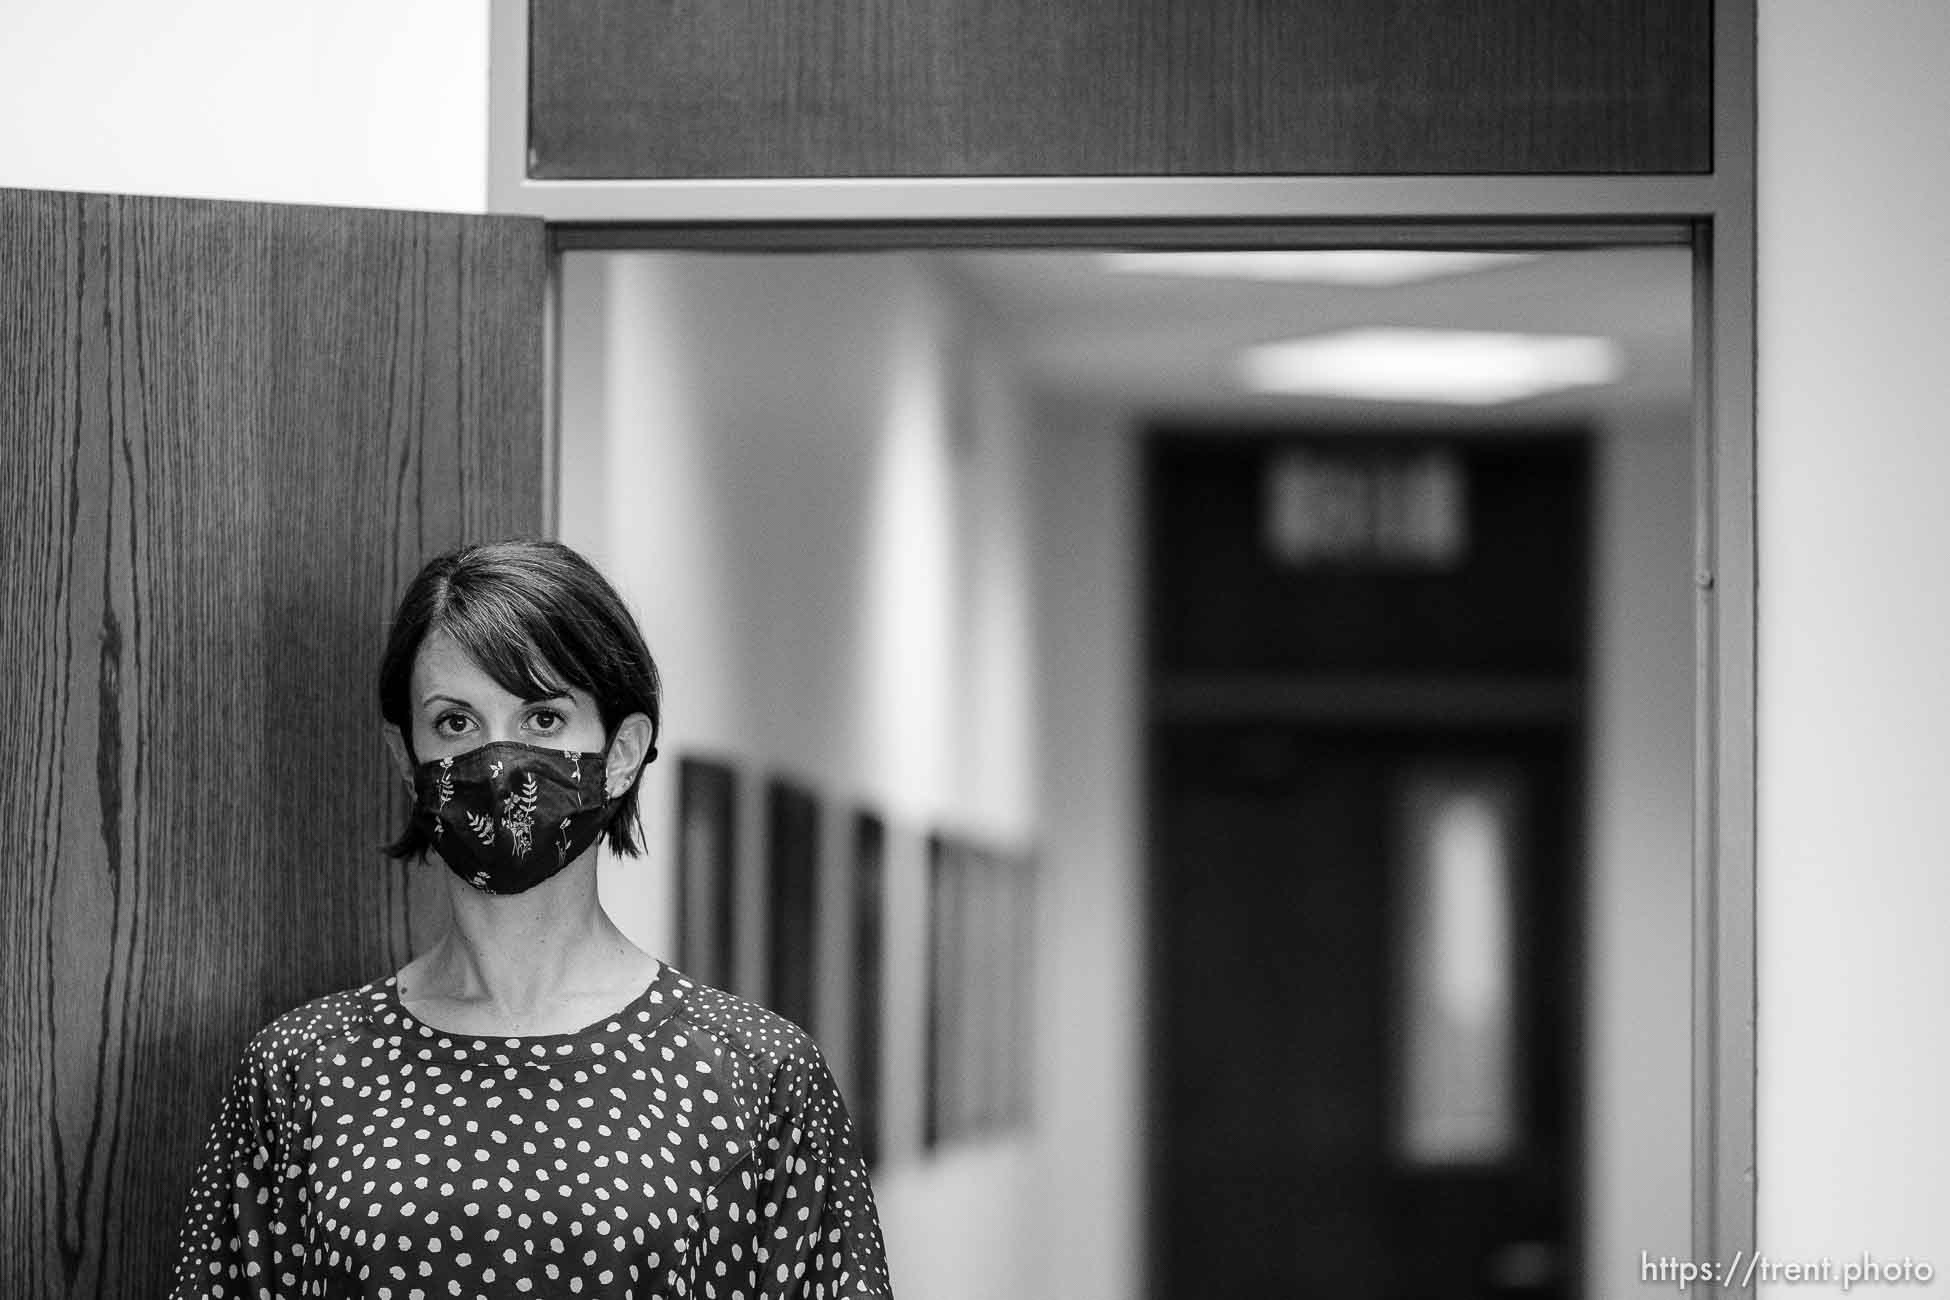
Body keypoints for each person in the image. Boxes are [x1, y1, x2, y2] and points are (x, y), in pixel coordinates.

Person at [170, 539, 892, 1300]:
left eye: (543, 717)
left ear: (621, 753)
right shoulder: (300, 1072)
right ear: (404, 755)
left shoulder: (755, 1074)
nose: (497, 758)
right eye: (454, 723)